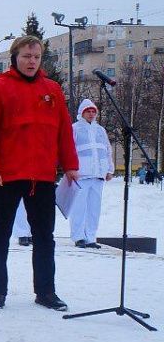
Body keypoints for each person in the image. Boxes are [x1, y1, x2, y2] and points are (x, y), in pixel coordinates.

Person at [0, 35, 79, 311]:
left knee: (45, 236)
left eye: (36, 57)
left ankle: (46, 292)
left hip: (42, 176)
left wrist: (70, 165)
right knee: (0, 233)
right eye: (26, 57)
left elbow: (64, 131)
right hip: (6, 175)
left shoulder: (52, 89)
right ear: (15, 58)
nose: (32, 62)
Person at [69, 98, 114, 248]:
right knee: (79, 207)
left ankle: (91, 237)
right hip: (81, 174)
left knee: (94, 208)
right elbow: (69, 150)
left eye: (93, 111)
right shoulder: (74, 128)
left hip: (98, 174)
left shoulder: (100, 130)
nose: (91, 114)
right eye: (88, 111)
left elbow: (107, 150)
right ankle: (78, 236)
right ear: (82, 112)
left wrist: (109, 169)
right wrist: (71, 168)